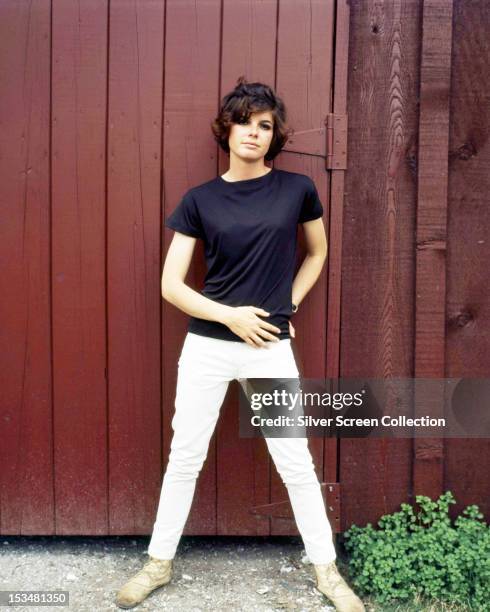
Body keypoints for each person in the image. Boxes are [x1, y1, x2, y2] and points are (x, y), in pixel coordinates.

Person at [115, 77, 365, 612]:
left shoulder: (296, 190)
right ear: (226, 128)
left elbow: (316, 254)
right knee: (185, 456)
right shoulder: (199, 200)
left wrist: (287, 307)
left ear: (274, 136)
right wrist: (230, 316)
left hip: (268, 346)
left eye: (265, 125)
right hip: (207, 345)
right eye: (245, 122)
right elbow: (171, 286)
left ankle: (326, 570)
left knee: (295, 459)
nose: (254, 132)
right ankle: (158, 563)